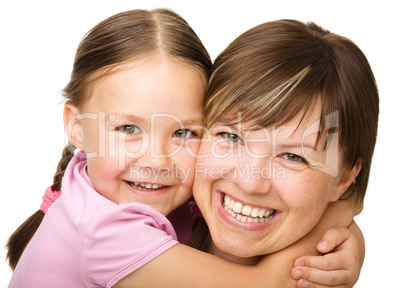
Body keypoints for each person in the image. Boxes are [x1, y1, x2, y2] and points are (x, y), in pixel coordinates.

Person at [6, 9, 364, 288]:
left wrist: (349, 243)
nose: (157, 160)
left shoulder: (155, 194)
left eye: (184, 133)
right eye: (129, 128)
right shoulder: (103, 228)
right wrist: (340, 213)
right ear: (77, 128)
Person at [192, 19, 378, 288]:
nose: (250, 181)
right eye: (231, 137)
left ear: (343, 181)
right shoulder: (140, 224)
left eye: (293, 157)